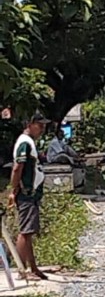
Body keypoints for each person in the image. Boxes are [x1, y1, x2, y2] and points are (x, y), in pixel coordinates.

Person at [9, 113, 50, 280]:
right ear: (31, 124)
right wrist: (13, 190)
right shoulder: (25, 143)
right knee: (25, 232)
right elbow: (18, 167)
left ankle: (32, 268)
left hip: (31, 194)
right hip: (26, 193)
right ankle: (21, 270)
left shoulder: (29, 143)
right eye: (40, 126)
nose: (42, 130)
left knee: (29, 231)